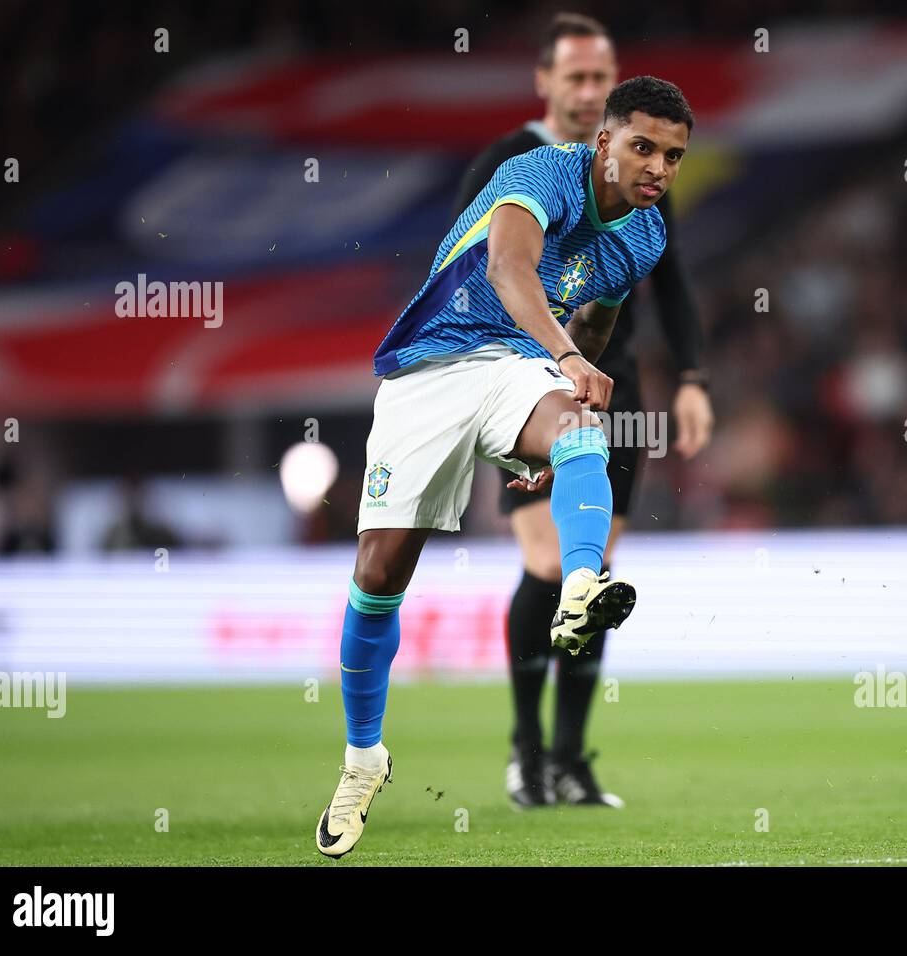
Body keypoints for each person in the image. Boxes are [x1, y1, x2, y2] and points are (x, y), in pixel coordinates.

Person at [315, 75, 696, 857]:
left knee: (583, 431)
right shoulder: (537, 173)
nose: (658, 166)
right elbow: (509, 271)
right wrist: (567, 356)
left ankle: (581, 586)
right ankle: (364, 758)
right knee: (380, 573)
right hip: (431, 366)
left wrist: (562, 394)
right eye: (643, 146)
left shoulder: (647, 234)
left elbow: (598, 313)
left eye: (674, 155)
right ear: (604, 142)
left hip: (519, 369)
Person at [451, 12, 713, 811]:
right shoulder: (511, 164)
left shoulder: (641, 170)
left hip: (614, 386)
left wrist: (694, 375)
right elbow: (469, 264)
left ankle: (570, 757)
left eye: (602, 77)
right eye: (576, 77)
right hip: (527, 385)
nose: (589, 89)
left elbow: (669, 279)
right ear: (546, 82)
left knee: (592, 574)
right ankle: (526, 754)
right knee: (545, 565)